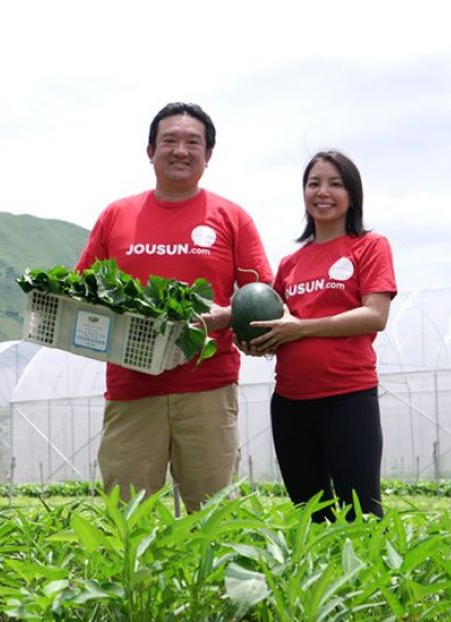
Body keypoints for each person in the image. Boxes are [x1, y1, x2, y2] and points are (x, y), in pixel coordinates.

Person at [75, 102, 273, 512]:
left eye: (192, 142)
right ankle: (133, 581)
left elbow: (262, 296)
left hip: (208, 387)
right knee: (127, 514)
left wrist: (224, 316)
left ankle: (216, 581)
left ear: (208, 155)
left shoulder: (231, 217)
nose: (180, 150)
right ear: (150, 151)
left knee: (214, 514)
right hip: (132, 387)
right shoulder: (116, 216)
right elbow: (83, 290)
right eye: (169, 140)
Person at [240, 149, 396, 521]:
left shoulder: (370, 247)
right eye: (314, 184)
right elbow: (279, 323)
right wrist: (256, 341)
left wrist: (302, 328)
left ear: (352, 194)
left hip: (348, 398)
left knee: (362, 513)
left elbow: (375, 315)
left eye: (335, 184)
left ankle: (367, 581)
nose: (322, 192)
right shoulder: (291, 264)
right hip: (291, 403)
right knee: (311, 514)